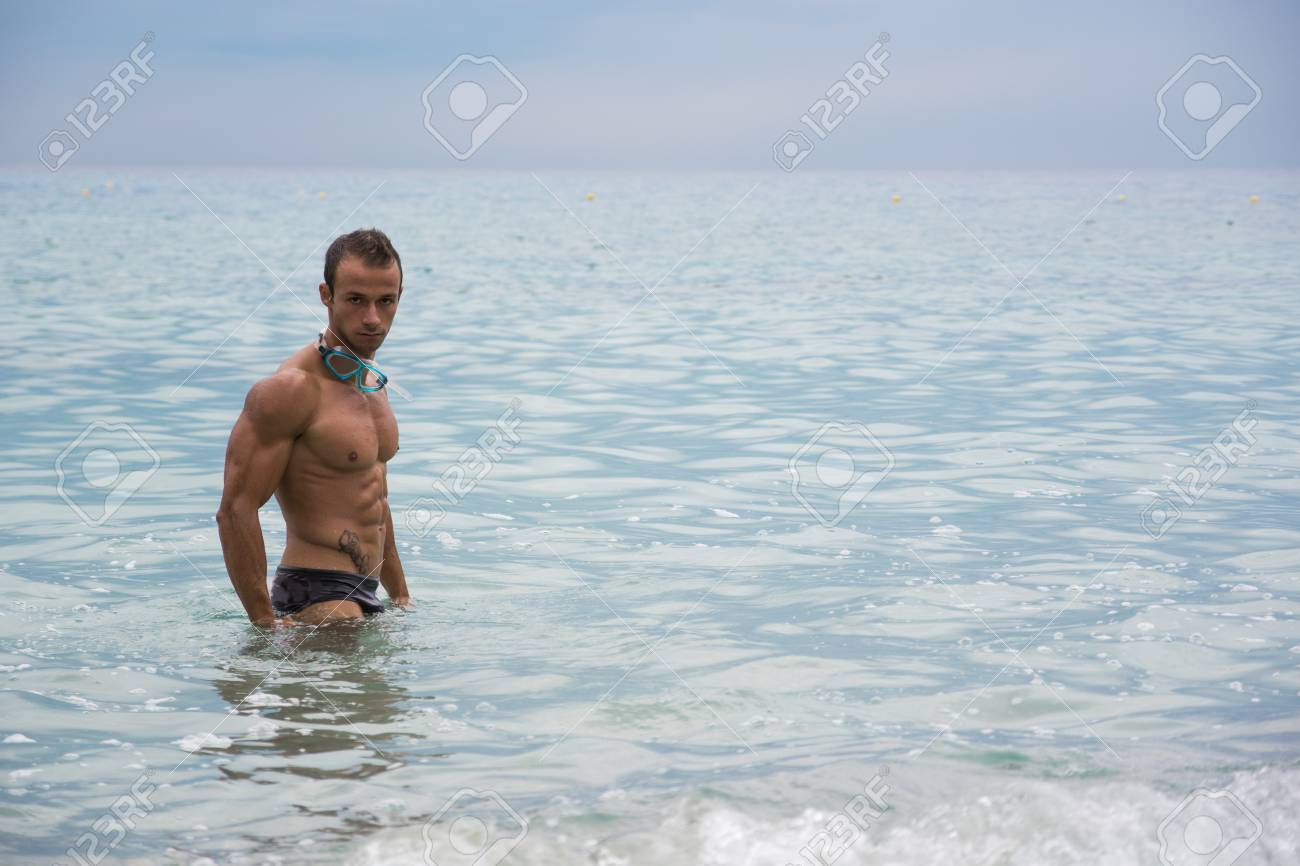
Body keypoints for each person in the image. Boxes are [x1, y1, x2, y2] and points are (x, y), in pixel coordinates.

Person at [216, 228, 413, 626]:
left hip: (366, 594)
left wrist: (401, 596)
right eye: (356, 300)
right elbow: (235, 509)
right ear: (326, 295)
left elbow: (375, 499)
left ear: (399, 297)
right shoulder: (291, 390)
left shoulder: (372, 385)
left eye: (385, 301)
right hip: (316, 594)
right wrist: (264, 622)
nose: (372, 318)